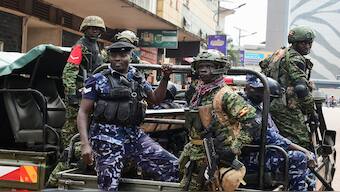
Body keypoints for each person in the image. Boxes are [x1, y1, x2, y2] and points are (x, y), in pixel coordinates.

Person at [77, 41, 179, 191]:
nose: (118, 59)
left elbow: (155, 100)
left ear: (131, 56)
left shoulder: (137, 77)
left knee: (171, 165)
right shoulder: (97, 79)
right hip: (106, 139)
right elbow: (83, 112)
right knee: (108, 186)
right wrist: (85, 145)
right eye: (114, 55)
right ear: (109, 57)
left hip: (134, 135)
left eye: (123, 55)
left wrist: (165, 78)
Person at [179, 49, 261, 191]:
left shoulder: (226, 95)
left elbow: (252, 122)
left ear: (219, 68)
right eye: (200, 66)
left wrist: (233, 149)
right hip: (195, 155)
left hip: (217, 157)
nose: (203, 70)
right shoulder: (199, 92)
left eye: (209, 66)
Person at [48, 15, 106, 186]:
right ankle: (53, 180)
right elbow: (69, 72)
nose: (95, 31)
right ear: (85, 29)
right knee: (71, 137)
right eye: (92, 28)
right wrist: (72, 95)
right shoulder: (80, 47)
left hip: (91, 94)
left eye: (98, 29)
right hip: (79, 96)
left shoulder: (96, 47)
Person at [241, 75, 316, 191]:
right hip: (247, 156)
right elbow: (269, 136)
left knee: (307, 155)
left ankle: (307, 184)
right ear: (248, 88)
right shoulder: (245, 108)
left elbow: (273, 134)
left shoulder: (258, 106)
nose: (262, 95)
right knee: (299, 157)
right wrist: (303, 150)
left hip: (260, 150)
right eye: (259, 90)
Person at [263, 26, 318, 150]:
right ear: (295, 43)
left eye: (310, 43)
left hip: (270, 103)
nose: (308, 46)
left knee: (277, 138)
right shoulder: (296, 58)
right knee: (301, 141)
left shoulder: (279, 53)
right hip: (286, 107)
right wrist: (310, 109)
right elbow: (301, 88)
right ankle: (297, 166)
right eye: (304, 43)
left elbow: (264, 66)